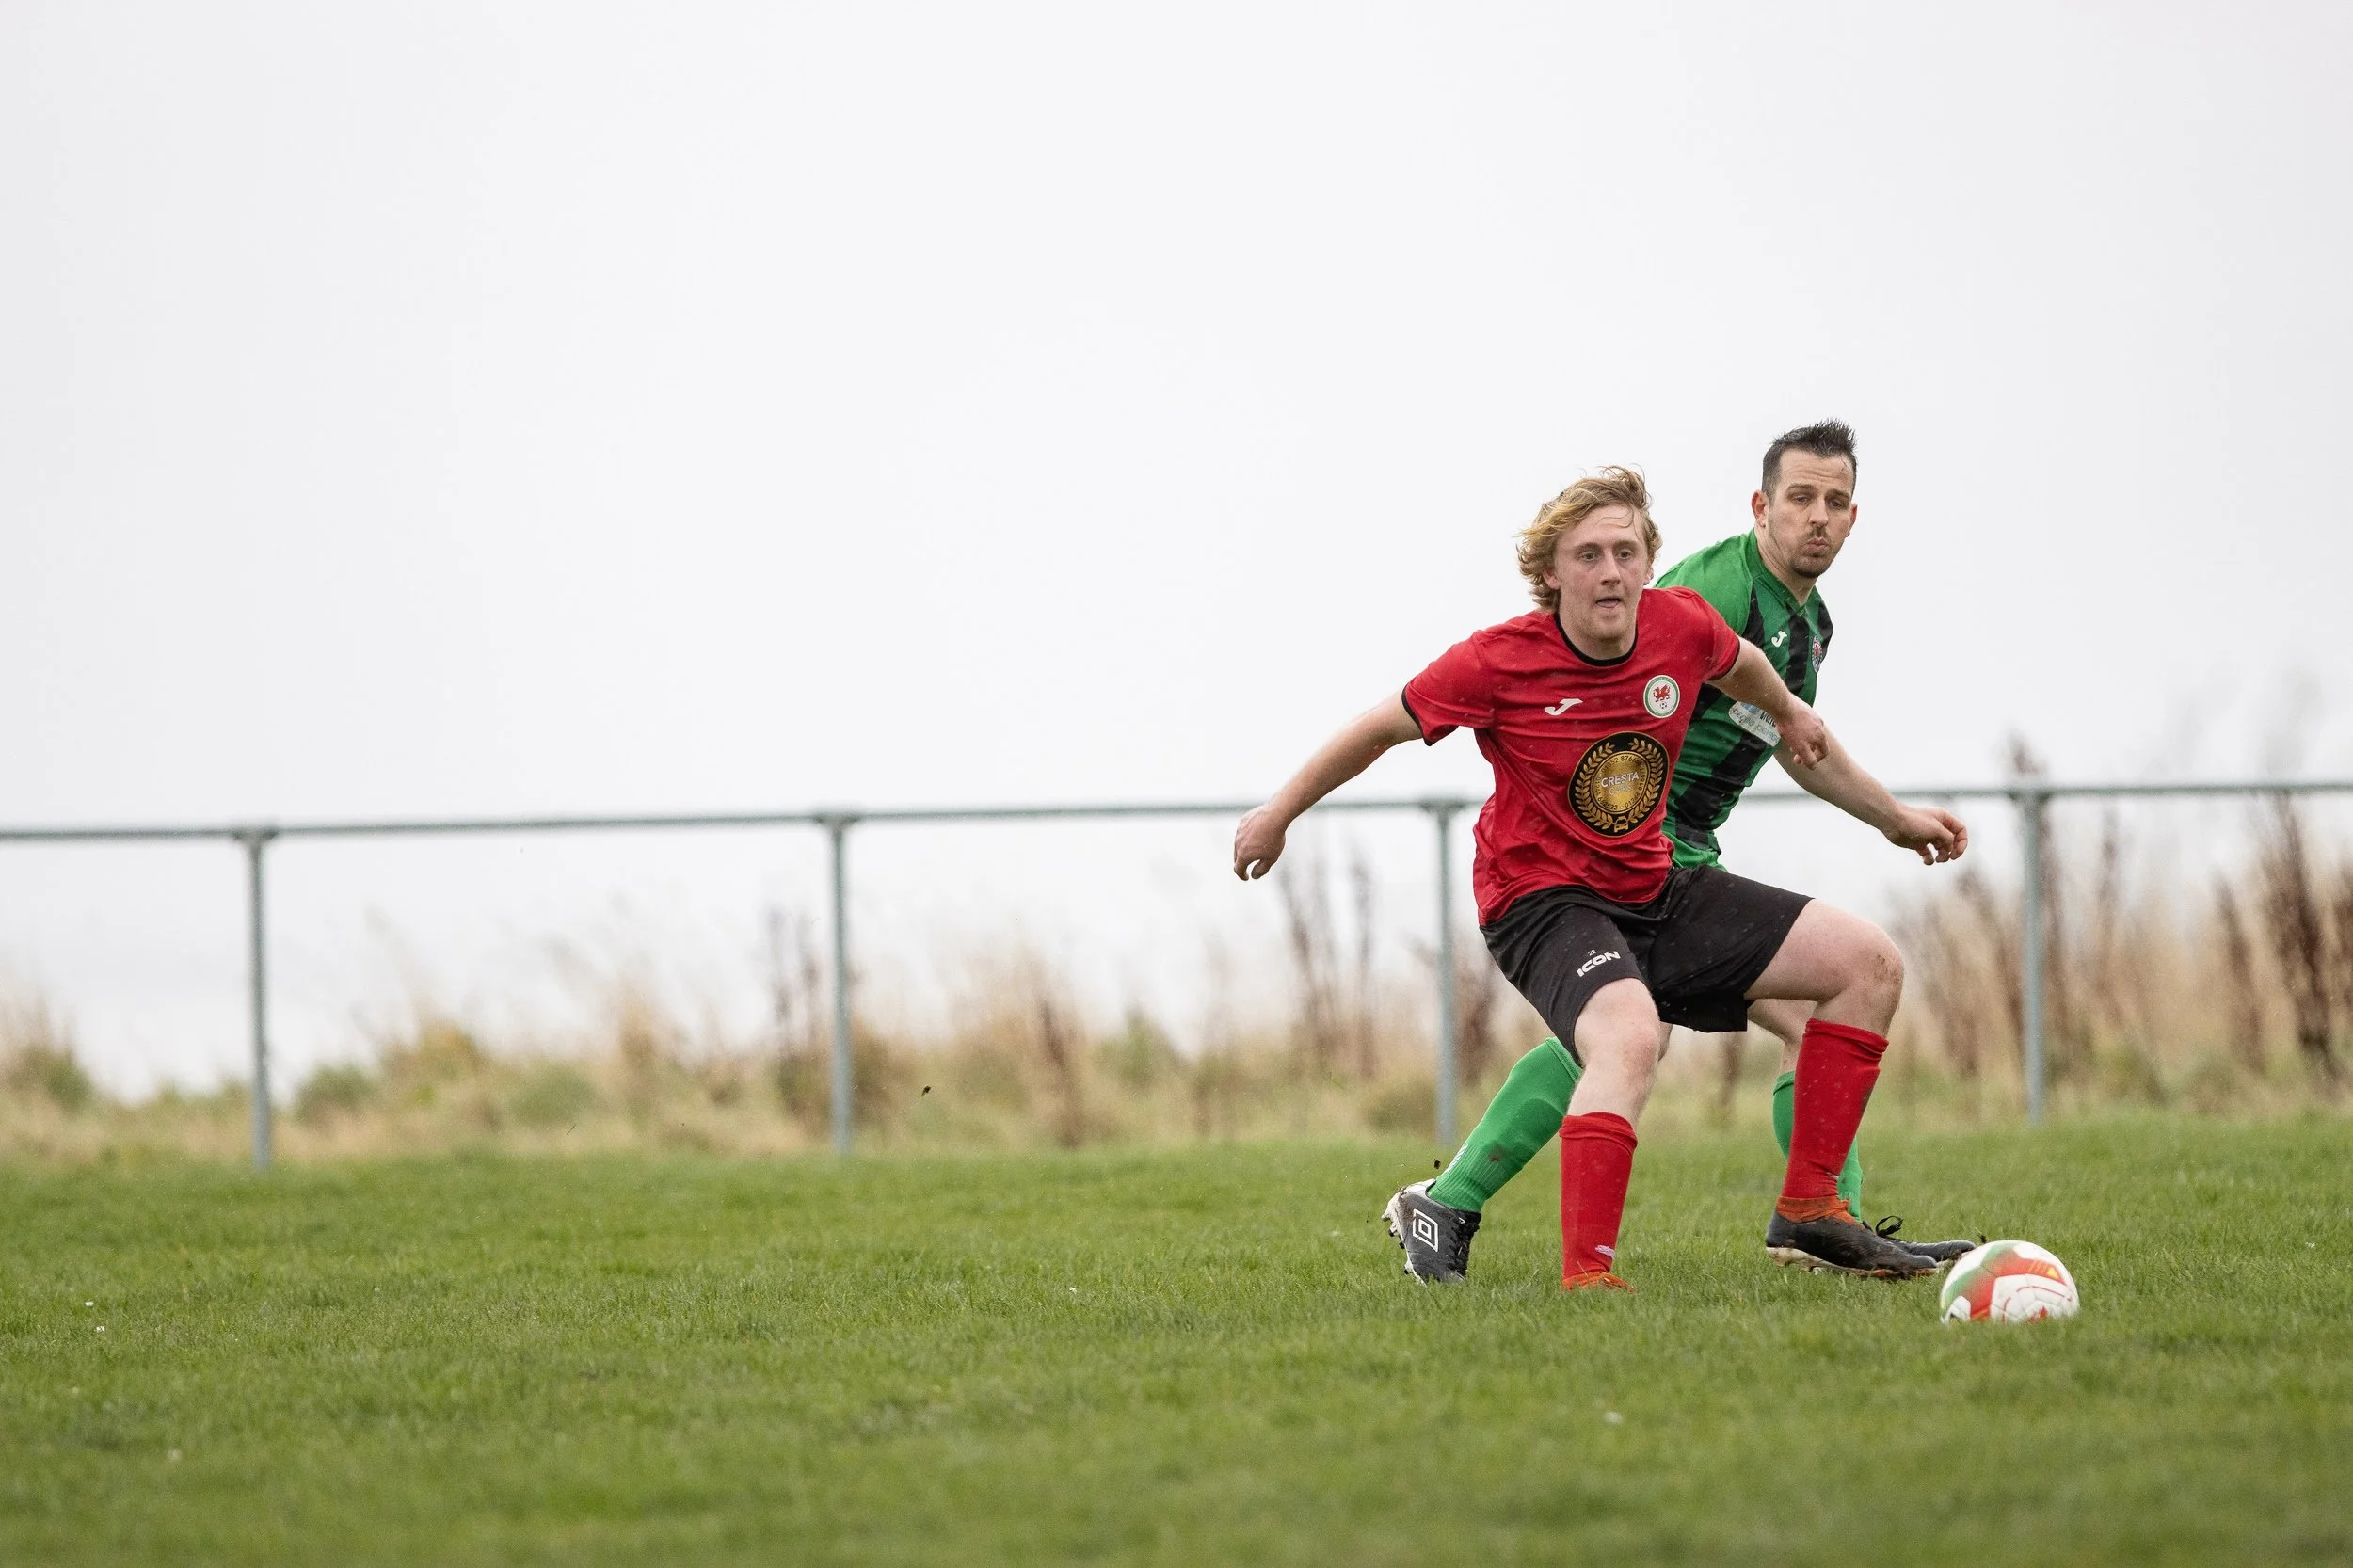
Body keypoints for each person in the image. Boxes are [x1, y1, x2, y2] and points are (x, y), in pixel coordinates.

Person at [1233, 468, 1961, 1289]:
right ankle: (1589, 1282)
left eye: (1625, 552)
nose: (1610, 571)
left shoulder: (1685, 624)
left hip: (1657, 882)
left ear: (1650, 563)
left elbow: (1744, 667)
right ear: (1552, 573)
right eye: (1587, 555)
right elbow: (1379, 728)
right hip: (1539, 900)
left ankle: (1815, 1212)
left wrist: (1792, 715)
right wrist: (1277, 813)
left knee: (1869, 966)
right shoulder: (1498, 659)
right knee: (1626, 1036)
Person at [1416, 422, 1976, 1275]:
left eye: (1833, 502)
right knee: (1633, 1036)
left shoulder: (1807, 623)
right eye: (1799, 499)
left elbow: (1796, 738)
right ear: (1761, 506)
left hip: (1683, 852)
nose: (1815, 518)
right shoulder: (1714, 586)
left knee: (1807, 1012)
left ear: (1854, 517)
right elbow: (1623, 668)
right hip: (1632, 856)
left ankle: (1825, 1221)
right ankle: (1813, 1222)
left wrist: (1893, 819)